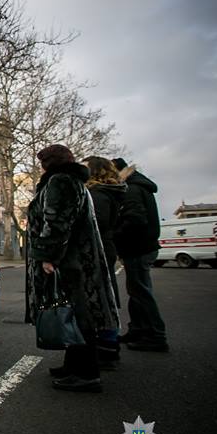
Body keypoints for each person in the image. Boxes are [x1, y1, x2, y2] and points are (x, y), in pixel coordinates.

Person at [25, 144, 119, 392]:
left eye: (42, 161)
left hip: (71, 260)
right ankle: (74, 365)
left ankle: (87, 373)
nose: (40, 166)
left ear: (50, 162)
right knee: (73, 311)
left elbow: (57, 222)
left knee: (77, 313)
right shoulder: (71, 181)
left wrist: (49, 256)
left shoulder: (61, 181)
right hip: (77, 257)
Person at [113, 158, 168, 352]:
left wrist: (115, 236)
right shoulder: (137, 185)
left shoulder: (132, 189)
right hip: (142, 247)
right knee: (136, 292)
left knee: (141, 292)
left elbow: (135, 219)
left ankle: (155, 335)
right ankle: (138, 329)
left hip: (138, 248)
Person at [84, 156, 127, 367]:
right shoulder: (109, 191)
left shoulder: (98, 194)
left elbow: (95, 224)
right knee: (105, 294)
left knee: (101, 296)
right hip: (104, 247)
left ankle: (107, 346)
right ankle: (108, 342)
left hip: (97, 250)